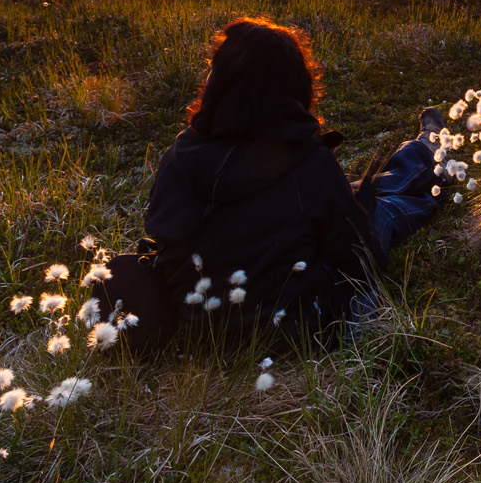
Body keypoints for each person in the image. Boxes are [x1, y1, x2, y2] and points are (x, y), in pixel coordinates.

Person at [140, 17, 447, 344]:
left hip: (198, 332)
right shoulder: (308, 164)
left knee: (349, 194)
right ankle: (432, 161)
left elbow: (162, 236)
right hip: (296, 328)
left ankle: (425, 153)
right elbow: (362, 261)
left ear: (217, 82)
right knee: (379, 211)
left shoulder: (179, 154)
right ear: (292, 86)